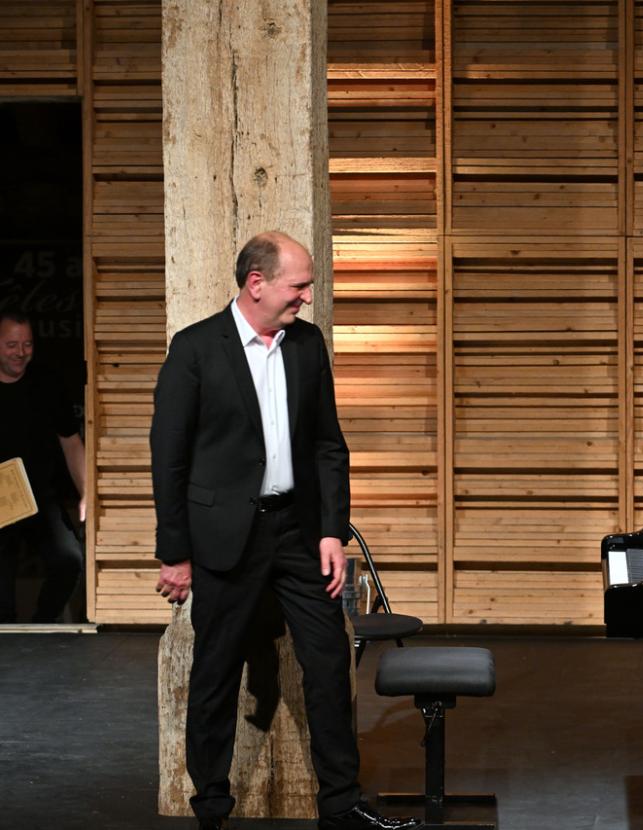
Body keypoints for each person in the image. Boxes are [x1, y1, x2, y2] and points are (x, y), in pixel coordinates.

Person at [151, 232, 418, 830]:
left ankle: (340, 804)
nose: (306, 295)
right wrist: (175, 553)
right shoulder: (195, 349)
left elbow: (328, 444)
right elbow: (167, 458)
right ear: (257, 283)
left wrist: (331, 532)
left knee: (328, 662)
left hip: (298, 534)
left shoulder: (306, 345)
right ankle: (211, 808)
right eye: (298, 285)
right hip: (225, 539)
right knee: (216, 672)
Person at [0, 311, 85, 623]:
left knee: (70, 560)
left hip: (39, 499)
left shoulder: (47, 383)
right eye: (11, 345)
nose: (20, 353)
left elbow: (71, 442)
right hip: (0, 502)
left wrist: (87, 493)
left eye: (27, 344)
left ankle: (42, 626)